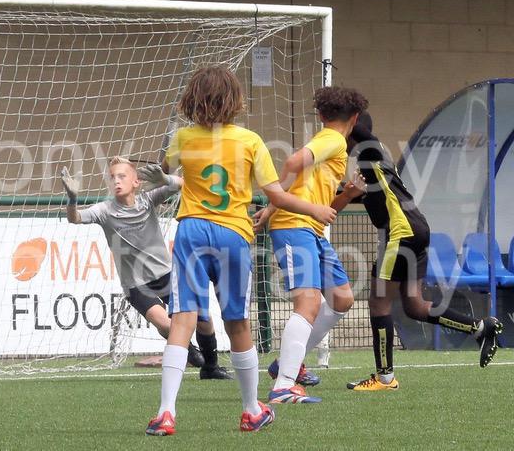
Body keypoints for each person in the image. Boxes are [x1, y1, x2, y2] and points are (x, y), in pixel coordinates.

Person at [145, 65, 336, 436]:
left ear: (192, 99)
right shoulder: (250, 141)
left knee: (182, 320)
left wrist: (166, 170)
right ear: (234, 100)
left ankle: (166, 413)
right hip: (233, 233)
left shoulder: (183, 137)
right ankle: (251, 410)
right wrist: (313, 209)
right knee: (238, 322)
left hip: (192, 231)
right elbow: (276, 194)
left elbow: (165, 171)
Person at [333, 112, 503, 391]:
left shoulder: (371, 152)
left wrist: (348, 117)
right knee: (414, 304)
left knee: (378, 302)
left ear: (351, 128)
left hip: (401, 233)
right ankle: (480, 328)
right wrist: (344, 194)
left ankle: (385, 378)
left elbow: (363, 135)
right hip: (416, 230)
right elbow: (347, 200)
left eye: (339, 128)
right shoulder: (370, 167)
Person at [61, 157, 232, 380]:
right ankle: (190, 352)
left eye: (122, 176)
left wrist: (165, 178)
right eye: (112, 177)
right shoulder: (104, 210)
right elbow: (74, 218)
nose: (116, 181)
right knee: (167, 324)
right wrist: (73, 198)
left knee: (203, 318)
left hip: (167, 274)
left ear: (136, 182)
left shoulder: (148, 199)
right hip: (136, 285)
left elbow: (182, 184)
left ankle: (211, 367)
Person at [254, 86, 368, 404]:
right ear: (355, 117)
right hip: (295, 227)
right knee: (308, 304)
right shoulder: (333, 140)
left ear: (320, 114)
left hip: (310, 230)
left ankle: (286, 363)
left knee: (342, 298)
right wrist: (281, 206)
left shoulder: (329, 143)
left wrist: (347, 195)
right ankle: (283, 385)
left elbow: (315, 198)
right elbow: (292, 163)